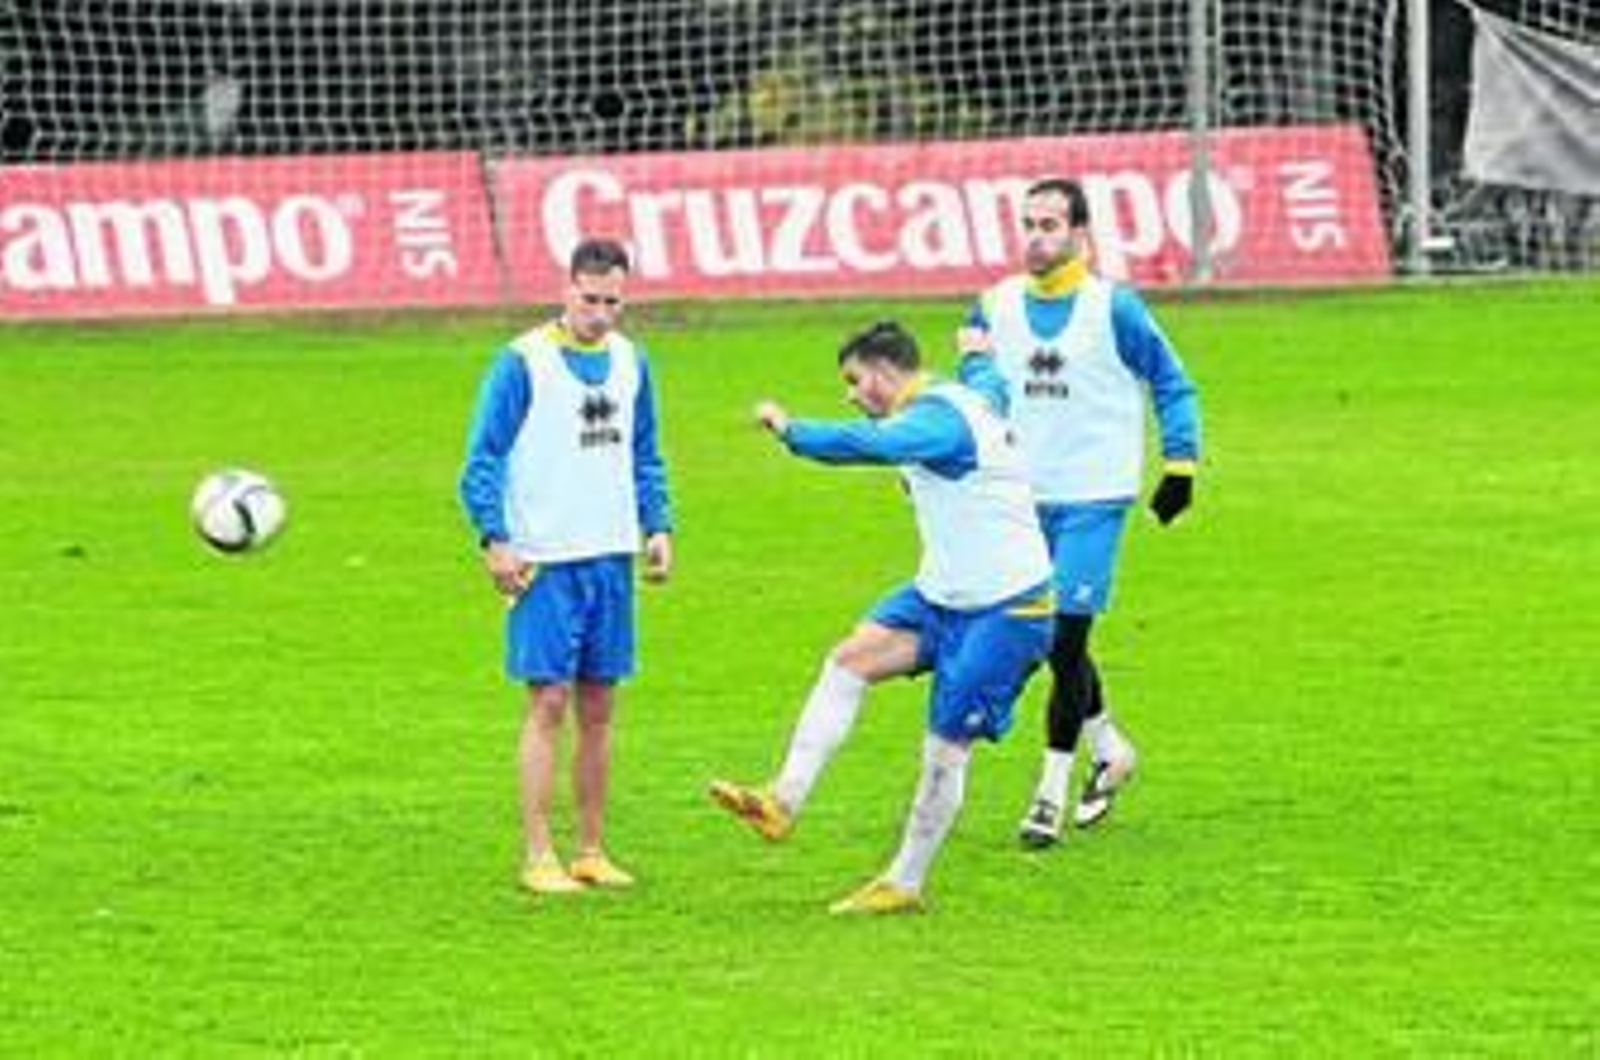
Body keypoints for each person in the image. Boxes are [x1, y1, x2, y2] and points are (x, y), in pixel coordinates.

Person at [709, 321, 1054, 915]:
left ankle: (905, 881)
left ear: (887, 371)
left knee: (945, 748)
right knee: (848, 661)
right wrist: (977, 352)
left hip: (1006, 610)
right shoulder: (964, 395)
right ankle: (781, 800)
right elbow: (991, 382)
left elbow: (872, 445)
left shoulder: (936, 422)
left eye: (854, 380)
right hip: (941, 596)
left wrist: (793, 431)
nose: (851, 394)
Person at [961, 177, 1202, 849]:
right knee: (1046, 639)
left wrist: (1180, 464)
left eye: (1049, 224)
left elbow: (1173, 384)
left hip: (1095, 498)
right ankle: (1110, 748)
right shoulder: (991, 307)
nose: (1036, 236)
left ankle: (1048, 794)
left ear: (1080, 234)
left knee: (1064, 639)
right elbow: (976, 397)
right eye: (1028, 223)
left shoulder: (1115, 309)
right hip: (1016, 500)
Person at [458, 237, 673, 895]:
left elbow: (646, 454)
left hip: (609, 553)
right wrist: (495, 539)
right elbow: (483, 459)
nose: (601, 314)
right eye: (590, 299)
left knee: (601, 706)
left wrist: (658, 525)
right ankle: (538, 853)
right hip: (546, 560)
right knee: (549, 700)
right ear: (566, 288)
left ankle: (590, 848)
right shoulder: (522, 362)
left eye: (613, 302)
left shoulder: (632, 362)